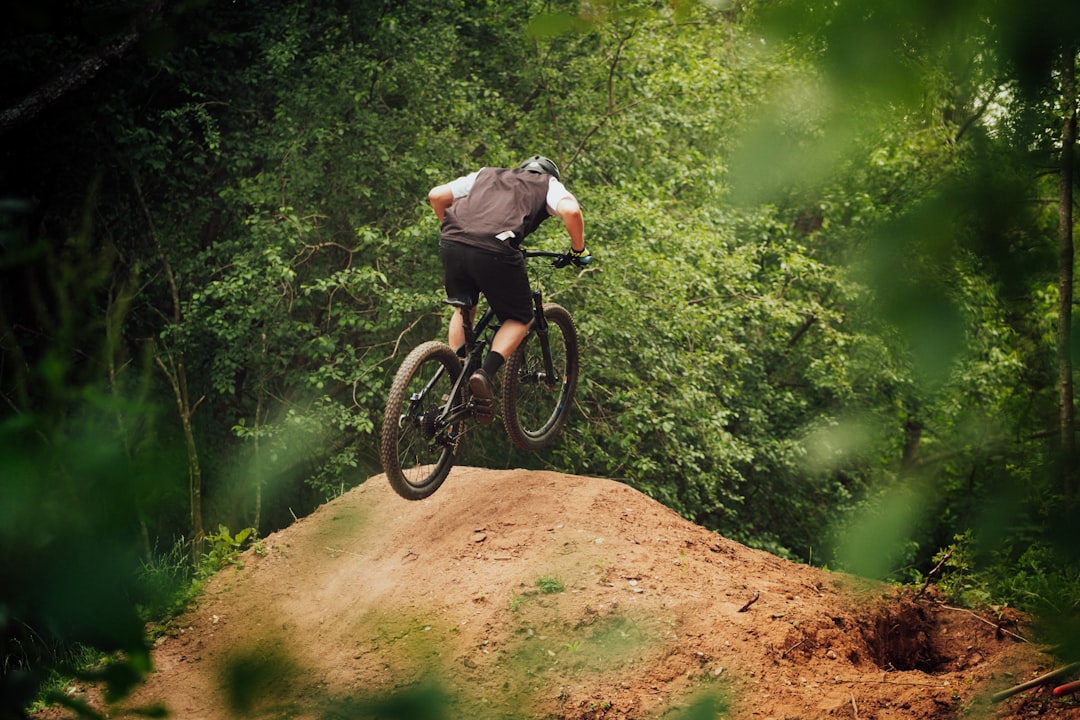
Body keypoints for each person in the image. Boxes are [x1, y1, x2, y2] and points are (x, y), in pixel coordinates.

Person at [428, 155, 590, 424]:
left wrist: (459, 234)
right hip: (496, 250)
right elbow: (572, 212)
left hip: (452, 241)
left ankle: (458, 377)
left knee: (464, 306)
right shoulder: (547, 184)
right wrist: (577, 250)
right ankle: (485, 373)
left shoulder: (486, 173)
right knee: (520, 316)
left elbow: (436, 196)